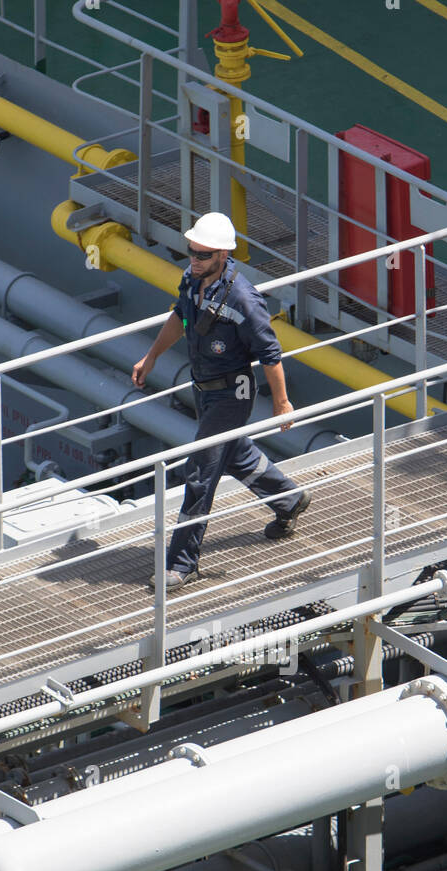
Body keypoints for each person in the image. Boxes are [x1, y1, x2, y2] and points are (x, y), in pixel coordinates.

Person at [131, 211, 310, 590]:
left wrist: (282, 405)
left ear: (223, 256)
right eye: (191, 252)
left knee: (200, 472)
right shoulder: (191, 280)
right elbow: (180, 318)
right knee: (235, 453)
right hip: (204, 389)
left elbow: (271, 355)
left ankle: (182, 564)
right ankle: (289, 500)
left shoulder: (244, 300)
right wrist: (152, 357)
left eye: (202, 255)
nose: (193, 260)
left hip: (233, 393)